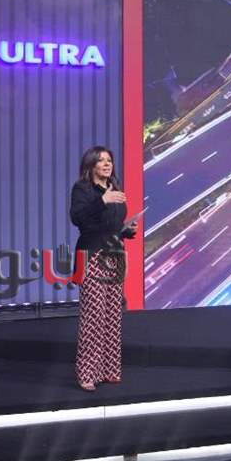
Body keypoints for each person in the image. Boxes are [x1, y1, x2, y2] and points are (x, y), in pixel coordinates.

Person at [69, 146, 137, 392]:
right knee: (94, 316)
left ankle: (108, 370)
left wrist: (126, 230)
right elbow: (78, 219)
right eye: (101, 161)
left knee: (112, 314)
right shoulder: (83, 189)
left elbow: (112, 225)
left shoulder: (114, 188)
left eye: (109, 160)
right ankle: (87, 373)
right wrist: (102, 201)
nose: (107, 164)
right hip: (93, 255)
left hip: (114, 255)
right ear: (91, 165)